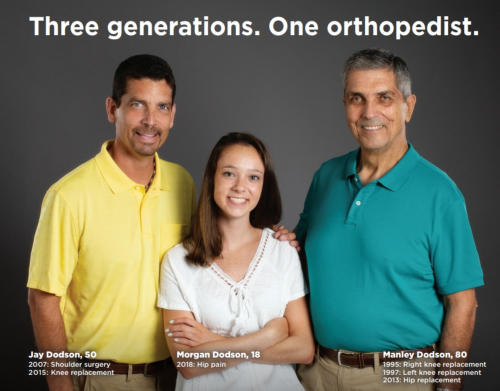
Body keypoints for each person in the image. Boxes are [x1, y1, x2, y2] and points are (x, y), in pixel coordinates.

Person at [295, 49, 484, 391]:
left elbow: (463, 304)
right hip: (316, 373)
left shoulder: (440, 193)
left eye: (384, 98)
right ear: (345, 105)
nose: (369, 112)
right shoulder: (325, 177)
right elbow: (299, 256)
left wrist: (448, 387)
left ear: (408, 106)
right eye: (357, 98)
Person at [27, 54, 196, 391]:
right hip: (99, 379)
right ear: (112, 109)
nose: (150, 120)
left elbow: (208, 261)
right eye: (137, 105)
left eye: (162, 107)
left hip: (173, 377)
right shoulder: (68, 195)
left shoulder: (183, 184)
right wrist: (61, 386)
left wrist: (277, 239)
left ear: (173, 115)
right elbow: (42, 299)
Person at [157, 132, 315, 391]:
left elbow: (304, 349)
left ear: (264, 186)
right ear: (212, 178)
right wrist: (269, 336)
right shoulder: (177, 261)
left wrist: (214, 341)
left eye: (253, 177)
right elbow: (187, 362)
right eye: (229, 173)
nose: (241, 187)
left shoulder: (282, 251)